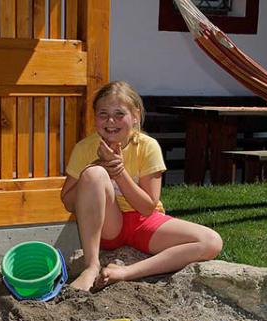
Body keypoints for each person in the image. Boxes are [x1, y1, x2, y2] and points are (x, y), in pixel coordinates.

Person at [60, 81, 223, 291]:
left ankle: (127, 272)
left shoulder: (147, 146)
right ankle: (91, 266)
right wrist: (94, 172)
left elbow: (147, 207)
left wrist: (118, 172)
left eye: (119, 114)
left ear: (135, 116)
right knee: (94, 174)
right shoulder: (85, 148)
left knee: (211, 241)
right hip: (110, 225)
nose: (111, 121)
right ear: (95, 117)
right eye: (103, 114)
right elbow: (68, 202)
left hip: (144, 222)